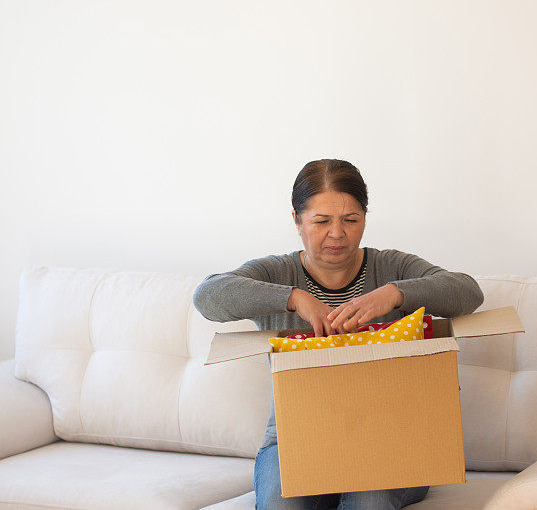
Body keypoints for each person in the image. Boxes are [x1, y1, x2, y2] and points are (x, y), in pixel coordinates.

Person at [193, 159, 484, 510]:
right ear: (297, 220)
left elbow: (468, 291)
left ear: (364, 218)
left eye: (351, 220)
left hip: (390, 438)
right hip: (296, 438)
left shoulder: (390, 267)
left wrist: (393, 294)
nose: (337, 234)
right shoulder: (277, 273)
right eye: (321, 221)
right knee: (279, 502)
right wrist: (293, 298)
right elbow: (207, 296)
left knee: (369, 499)